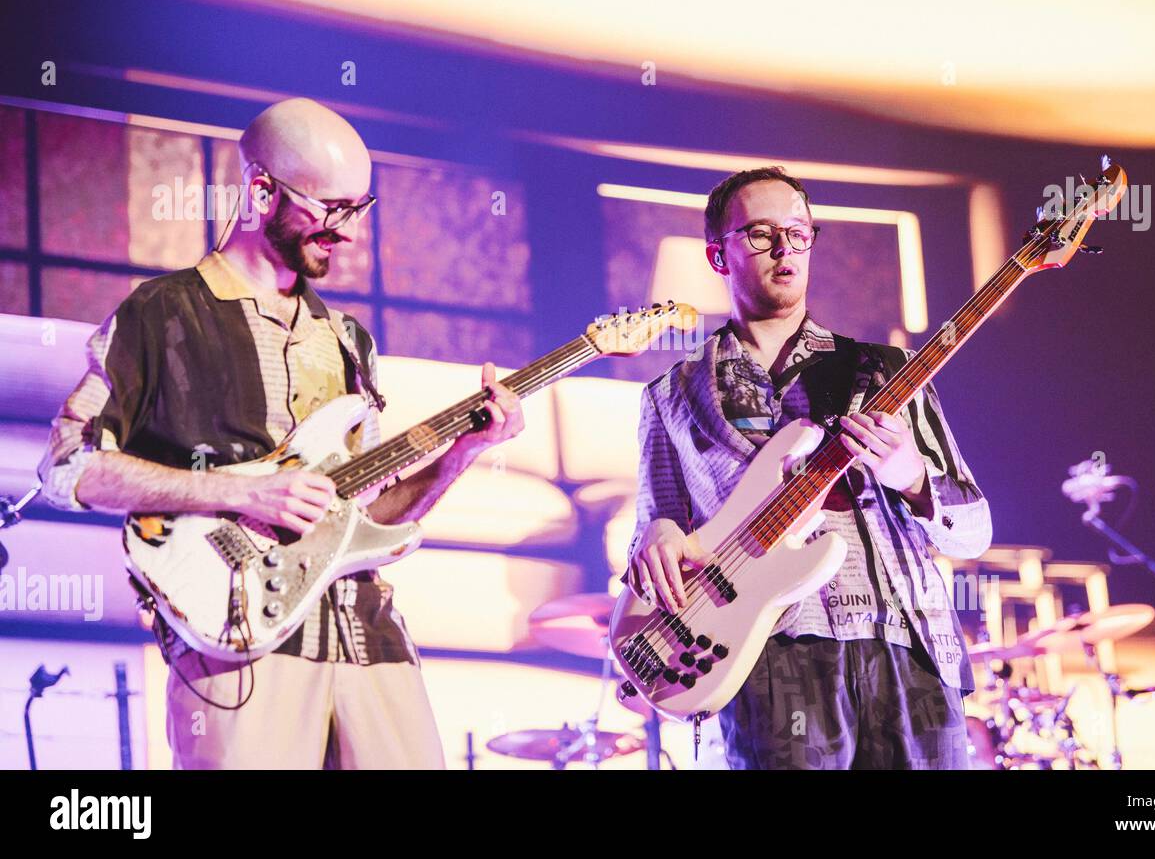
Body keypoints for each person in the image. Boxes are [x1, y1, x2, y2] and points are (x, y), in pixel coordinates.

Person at [38, 97, 525, 769]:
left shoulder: (351, 342)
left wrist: (462, 454)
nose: (348, 231)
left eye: (358, 209)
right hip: (236, 641)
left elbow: (362, 516)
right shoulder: (160, 313)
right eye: (330, 209)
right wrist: (243, 496)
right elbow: (68, 469)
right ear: (261, 191)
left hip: (368, 636)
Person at [627, 166, 992, 769]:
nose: (784, 249)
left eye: (798, 233)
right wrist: (656, 535)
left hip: (907, 643)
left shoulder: (886, 371)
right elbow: (655, 534)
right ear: (719, 255)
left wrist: (912, 476)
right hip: (768, 653)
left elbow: (976, 531)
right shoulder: (670, 396)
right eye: (760, 234)